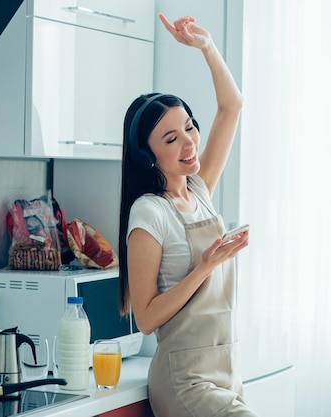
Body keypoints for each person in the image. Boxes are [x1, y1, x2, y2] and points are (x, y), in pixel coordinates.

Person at [118, 13, 259, 417]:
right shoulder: (149, 212)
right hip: (184, 379)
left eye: (190, 127)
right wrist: (204, 267)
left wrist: (207, 47)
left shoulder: (199, 189)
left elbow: (232, 106)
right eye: (171, 137)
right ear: (148, 155)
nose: (189, 142)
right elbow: (145, 319)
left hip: (227, 371)